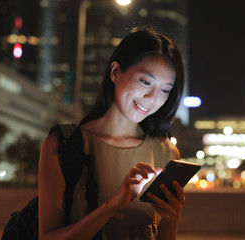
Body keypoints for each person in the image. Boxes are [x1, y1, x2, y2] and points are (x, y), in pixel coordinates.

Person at [38, 27, 185, 240]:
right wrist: (113, 205)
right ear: (115, 72)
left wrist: (172, 220)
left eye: (165, 90)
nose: (152, 98)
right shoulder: (64, 145)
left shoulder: (167, 153)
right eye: (146, 81)